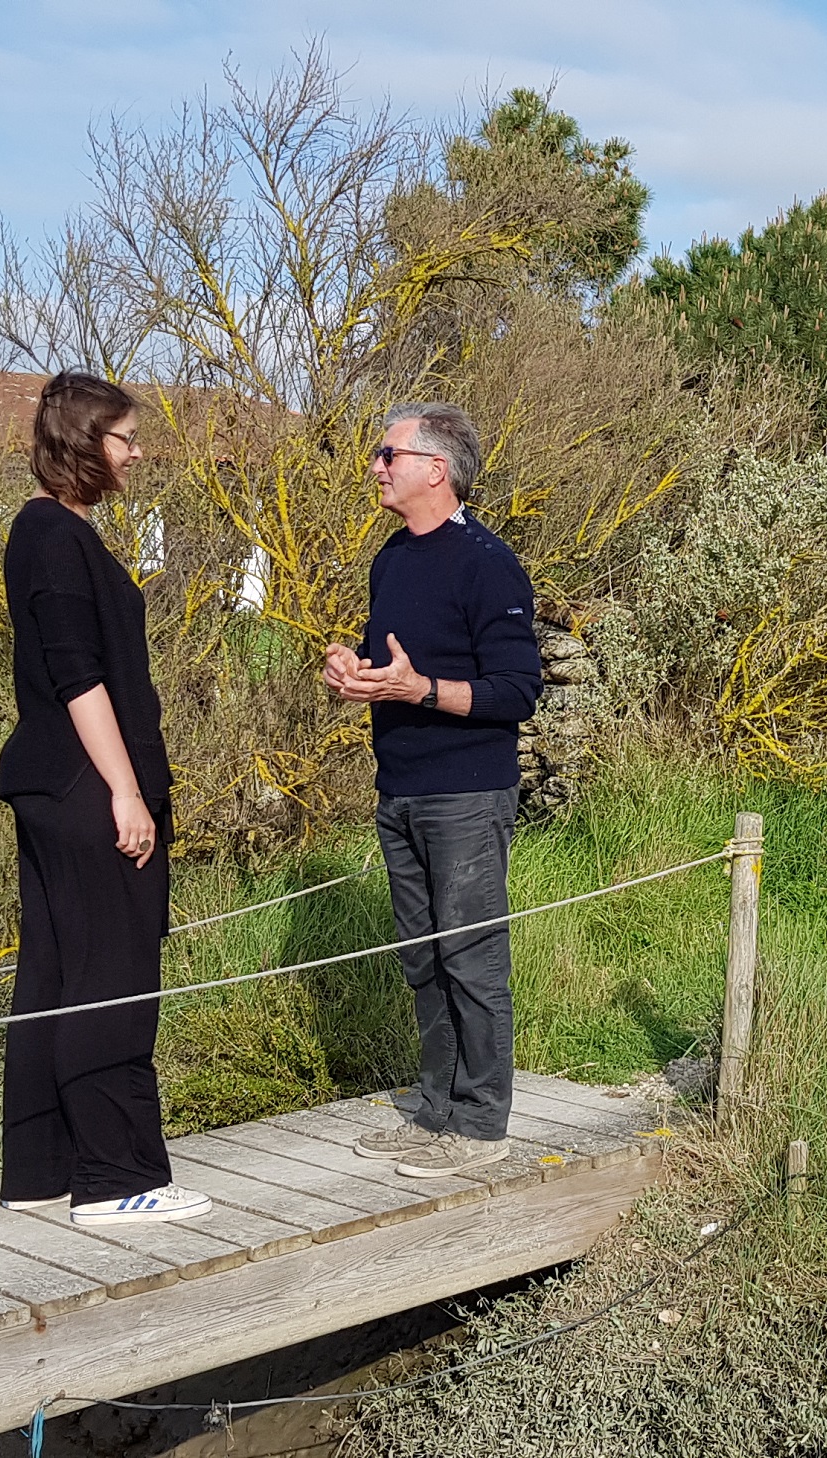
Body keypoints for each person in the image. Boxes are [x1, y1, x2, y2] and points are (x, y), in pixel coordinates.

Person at [0, 372, 210, 1227]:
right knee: (113, 975)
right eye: (125, 437)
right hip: (87, 786)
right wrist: (126, 791)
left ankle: (40, 1170)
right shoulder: (53, 537)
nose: (137, 451)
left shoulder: (52, 532)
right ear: (86, 444)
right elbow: (79, 679)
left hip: (56, 784)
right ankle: (118, 1178)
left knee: (53, 972)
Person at [321, 402, 543, 1178]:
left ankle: (482, 1126)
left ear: (435, 468)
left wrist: (421, 691)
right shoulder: (391, 557)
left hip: (466, 794)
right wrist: (353, 669)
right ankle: (435, 1111)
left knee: (471, 959)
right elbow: (394, 657)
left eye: (388, 453)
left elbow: (519, 690)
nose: (376, 466)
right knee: (422, 959)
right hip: (400, 788)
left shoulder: (487, 561)